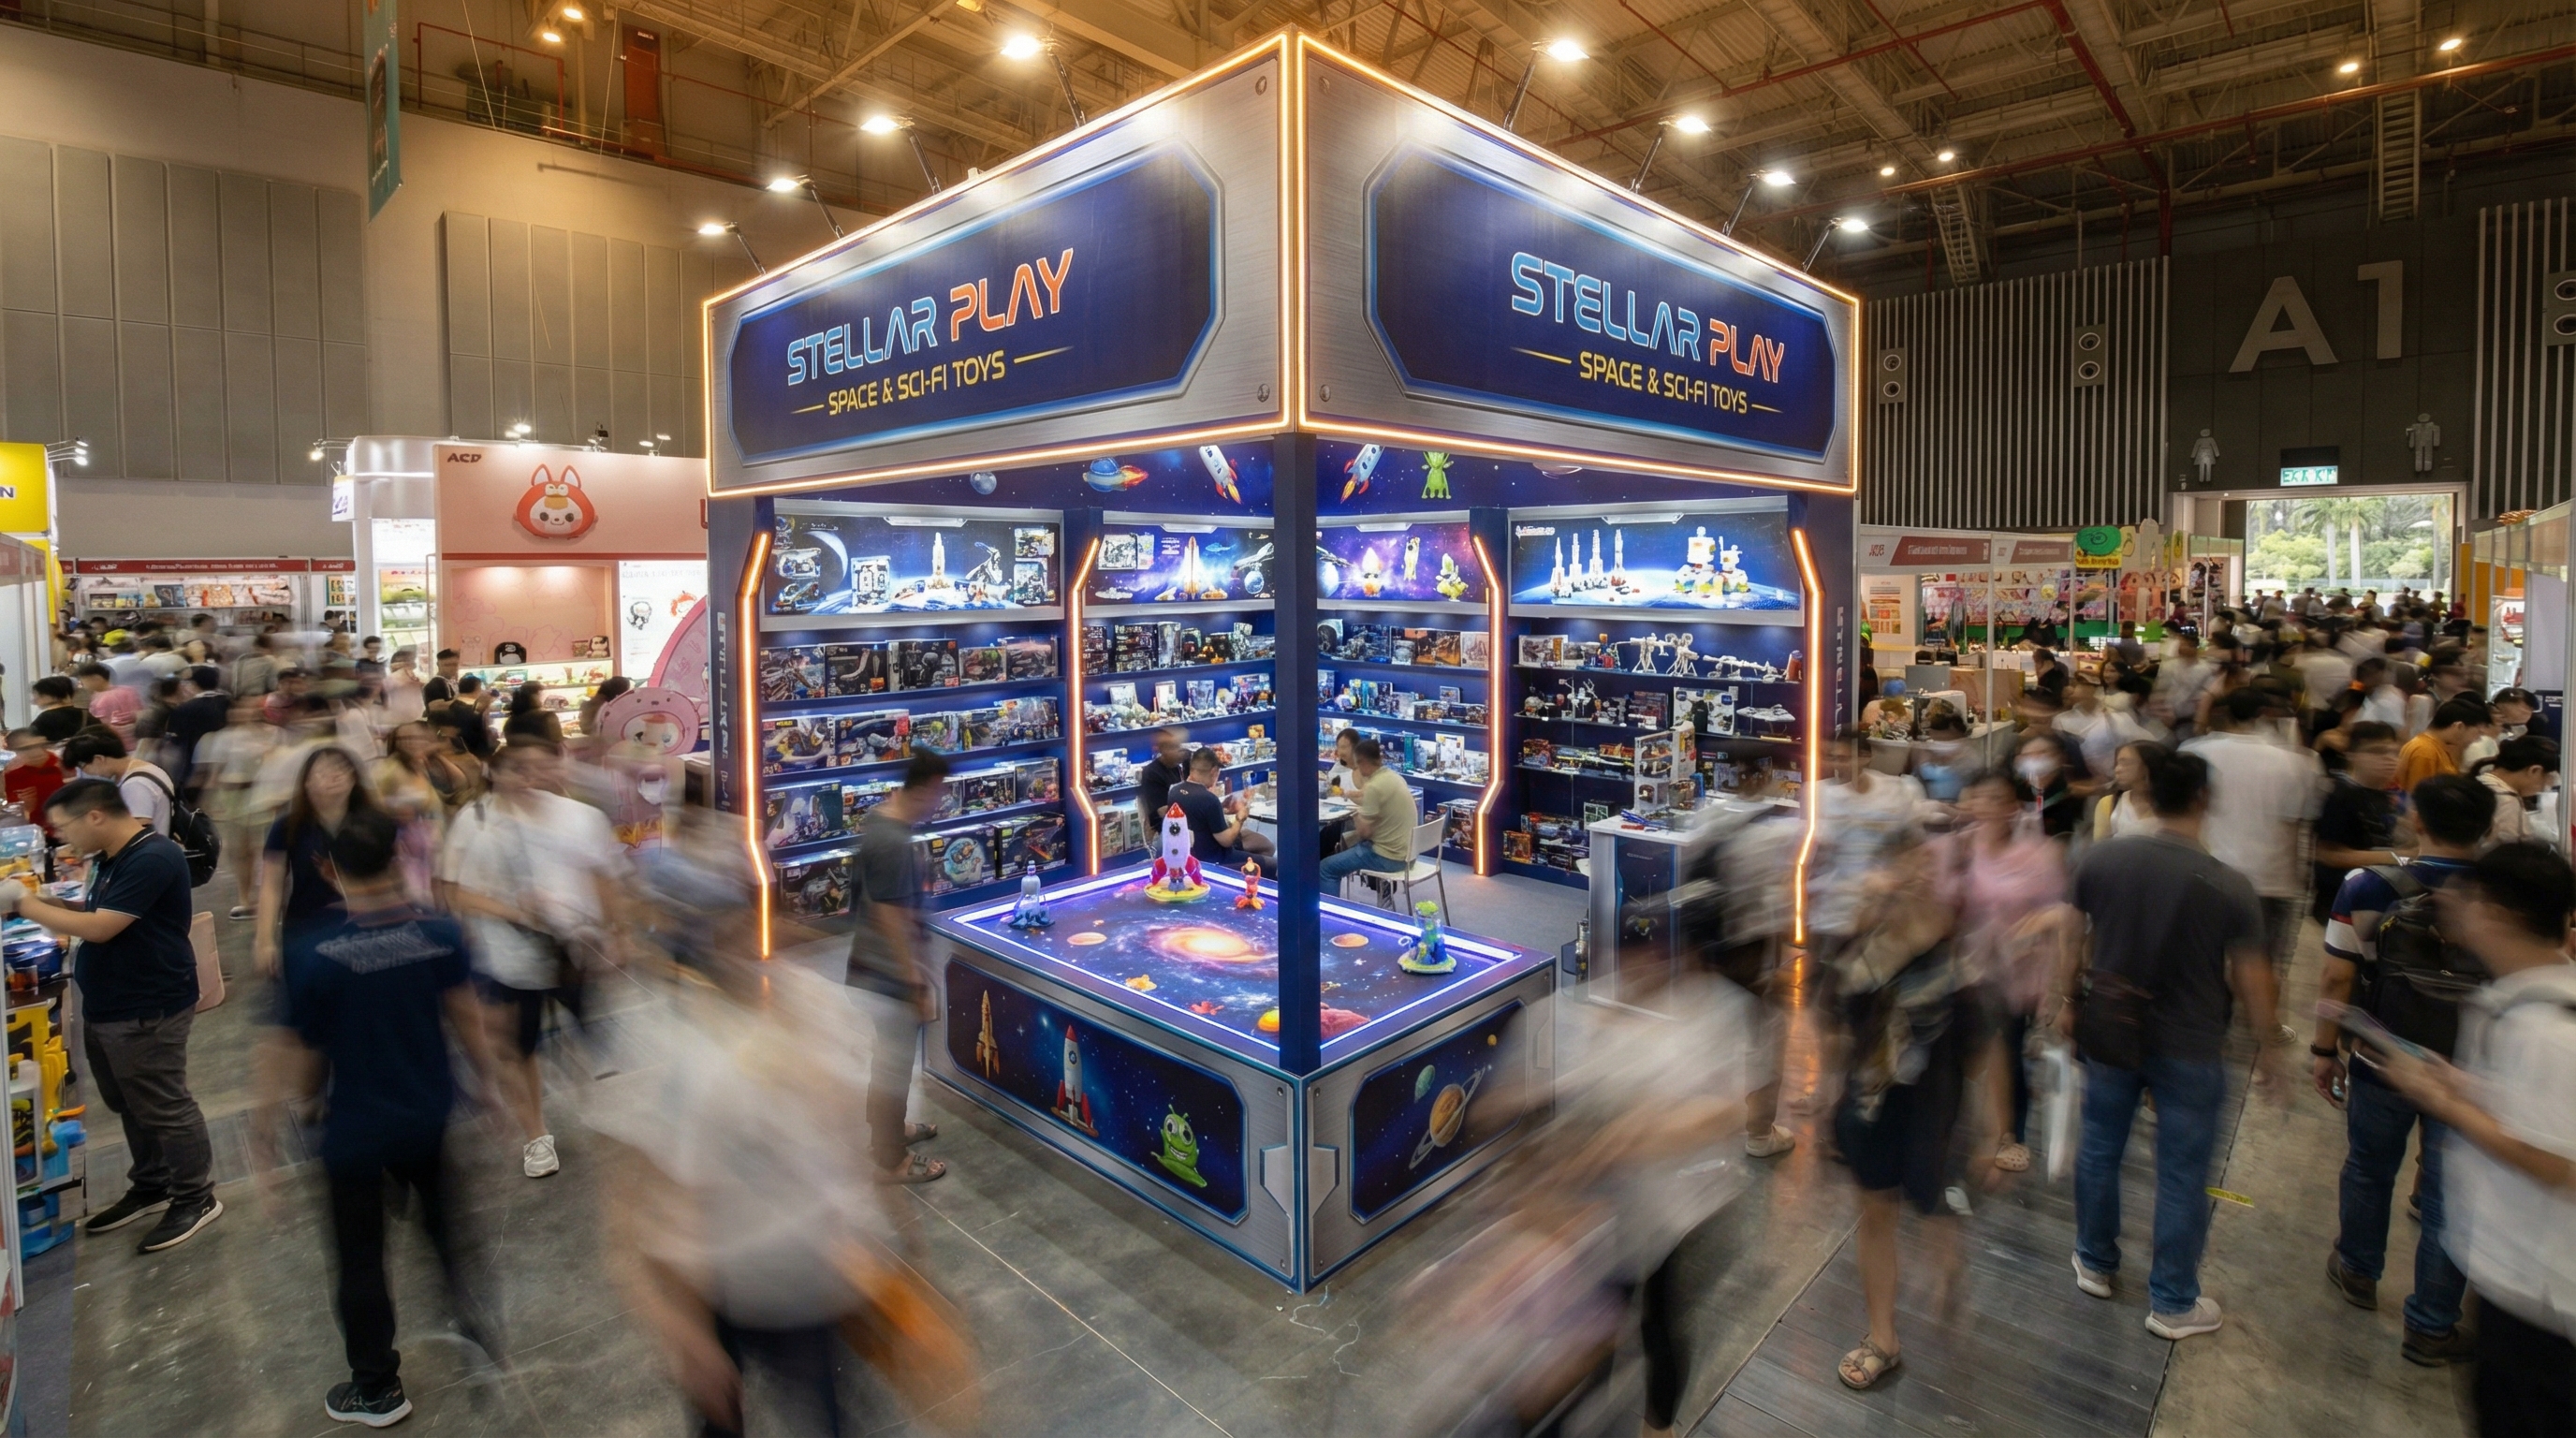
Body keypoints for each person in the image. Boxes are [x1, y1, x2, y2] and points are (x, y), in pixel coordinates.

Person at [275, 809, 498, 1427]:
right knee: (447, 1230)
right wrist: (489, 1085)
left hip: (355, 1130)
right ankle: (476, 1328)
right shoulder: (440, 932)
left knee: (361, 1258)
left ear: (329, 870)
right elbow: (467, 1017)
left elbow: (305, 1057)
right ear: (398, 859)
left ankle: (377, 1388)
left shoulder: (313, 952)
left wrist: (298, 1110)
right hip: (427, 1112)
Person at [2066, 752, 2288, 1341]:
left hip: (2110, 1029)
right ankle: (2171, 1301)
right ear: (2202, 799)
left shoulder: (2102, 859)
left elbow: (2070, 937)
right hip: (2191, 1043)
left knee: (2099, 1147)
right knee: (2183, 1172)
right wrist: (2270, 1047)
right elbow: (2252, 975)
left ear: (2148, 793)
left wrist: (2062, 1001)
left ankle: (2094, 1261)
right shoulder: (2229, 884)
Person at [2371, 843, 2576, 1437]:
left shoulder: (2550, 1030)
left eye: (2471, 900)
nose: (2457, 909)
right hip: (2514, 1288)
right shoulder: (2528, 1001)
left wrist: (2447, 1104)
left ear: (2501, 914)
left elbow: (2554, 1161)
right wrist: (2463, 1084)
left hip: (2541, 1305)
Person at [2310, 773, 2493, 1366]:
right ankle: (2431, 1326)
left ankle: (2357, 1271)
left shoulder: (2368, 884)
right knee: (2448, 1195)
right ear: (2487, 828)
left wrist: (2324, 1050)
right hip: (2467, 1071)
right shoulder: (2502, 896)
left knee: (2369, 1167)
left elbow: (2337, 975)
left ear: (2417, 821)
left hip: (2381, 1054)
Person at [7, 780, 220, 1252]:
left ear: (95, 816)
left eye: (64, 827)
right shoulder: (111, 857)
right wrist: (53, 903)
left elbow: (103, 927)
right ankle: (152, 1184)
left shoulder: (152, 856)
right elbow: (100, 908)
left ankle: (195, 1196)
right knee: (129, 1101)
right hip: (111, 1003)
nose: (62, 838)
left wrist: (27, 906)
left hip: (148, 1004)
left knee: (164, 1105)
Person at [439, 739, 632, 1179]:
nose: (530, 777)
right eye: (518, 768)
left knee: (588, 1030)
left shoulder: (581, 817)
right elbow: (454, 891)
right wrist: (516, 913)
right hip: (508, 957)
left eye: (541, 766)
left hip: (574, 951)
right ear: (495, 772)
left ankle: (587, 1091)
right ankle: (535, 1134)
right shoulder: (476, 820)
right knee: (517, 1046)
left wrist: (618, 933)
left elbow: (604, 877)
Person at [1825, 836, 1965, 1390]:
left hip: (1934, 1105)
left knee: (1932, 1209)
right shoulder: (1865, 930)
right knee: (1877, 1212)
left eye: (1927, 865)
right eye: (1907, 864)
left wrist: (1996, 1132)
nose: (1916, 876)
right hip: (1871, 1101)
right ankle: (1883, 1336)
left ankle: (1946, 1245)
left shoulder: (1951, 933)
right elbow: (1836, 1014)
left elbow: (1982, 1037)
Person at [1942, 769, 2071, 1175]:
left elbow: (2062, 911)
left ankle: (2011, 1133)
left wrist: (2038, 928)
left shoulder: (2040, 854)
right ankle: (1960, 1128)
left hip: (2016, 974)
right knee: (1961, 1052)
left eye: (1997, 799)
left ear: (2014, 807)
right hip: (1965, 970)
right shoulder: (1961, 847)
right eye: (1981, 798)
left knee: (2008, 1050)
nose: (1988, 807)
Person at [843, 747, 948, 1184]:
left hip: (872, 968)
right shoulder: (893, 842)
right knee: (894, 1063)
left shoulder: (881, 820)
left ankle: (891, 1129)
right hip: (886, 976)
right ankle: (890, 1158)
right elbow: (891, 918)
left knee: (889, 1060)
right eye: (939, 793)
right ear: (925, 789)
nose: (939, 803)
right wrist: (913, 980)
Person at [2184, 685, 2321, 990]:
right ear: (2266, 714)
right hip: (2269, 879)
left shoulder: (2194, 751)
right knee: (2261, 970)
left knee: (2202, 968)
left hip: (2206, 873)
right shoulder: (2299, 762)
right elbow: (2300, 822)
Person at [255, 745, 387, 978]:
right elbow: (271, 886)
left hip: (367, 929)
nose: (334, 775)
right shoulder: (288, 826)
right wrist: (264, 940)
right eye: (323, 771)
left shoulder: (375, 823)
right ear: (306, 782)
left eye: (341, 769)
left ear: (354, 778)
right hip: (307, 930)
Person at [2311, 722, 2405, 922]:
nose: (2389, 759)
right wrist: (2396, 857)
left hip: (2376, 901)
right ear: (2352, 755)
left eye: (2394, 752)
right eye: (2377, 751)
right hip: (2341, 904)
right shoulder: (2341, 795)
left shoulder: (2388, 797)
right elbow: (2327, 854)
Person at [1321, 736, 1415, 891]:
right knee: (1346, 845)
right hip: (1407, 854)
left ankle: (1329, 906)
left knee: (1326, 868)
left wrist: (1357, 815)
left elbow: (1364, 832)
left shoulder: (1374, 787)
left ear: (1363, 762)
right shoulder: (1393, 777)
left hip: (1388, 857)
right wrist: (1347, 794)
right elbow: (1363, 794)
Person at [1165, 746, 1277, 873]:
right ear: (1214, 771)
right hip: (1215, 859)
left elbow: (1198, 816)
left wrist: (1222, 807)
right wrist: (1240, 818)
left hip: (1189, 855)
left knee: (1260, 843)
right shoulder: (1208, 799)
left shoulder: (1174, 792)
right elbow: (1226, 841)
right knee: (1273, 864)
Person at [62, 729, 177, 838]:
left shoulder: (136, 785)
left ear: (99, 759)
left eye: (82, 767)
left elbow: (137, 835)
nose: (84, 772)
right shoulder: (139, 767)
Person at [2474, 736, 2557, 849]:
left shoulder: (2480, 780)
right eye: (2548, 778)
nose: (2545, 787)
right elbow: (2504, 852)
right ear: (2534, 770)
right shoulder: (2507, 802)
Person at [2398, 696, 2493, 791]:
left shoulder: (2437, 747)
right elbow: (2420, 795)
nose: (2477, 740)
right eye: (2478, 733)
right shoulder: (2426, 751)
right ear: (2459, 726)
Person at [164, 666, 229, 795]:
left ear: (194, 684)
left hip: (193, 770)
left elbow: (174, 743)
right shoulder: (230, 702)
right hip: (227, 767)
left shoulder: (185, 709)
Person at [2090, 740, 2165, 842]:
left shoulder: (2173, 803)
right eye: (2117, 763)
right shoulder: (2109, 804)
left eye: (2126, 763)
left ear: (2148, 766)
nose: (2118, 769)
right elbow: (2100, 846)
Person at [3, 728, 66, 831]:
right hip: (27, 833)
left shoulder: (63, 766)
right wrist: (24, 808)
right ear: (11, 751)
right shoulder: (8, 776)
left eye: (40, 745)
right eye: (25, 748)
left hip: (66, 830)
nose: (35, 752)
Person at [1135, 726, 1189, 826]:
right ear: (1162, 750)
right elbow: (1161, 811)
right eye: (1172, 747)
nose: (1178, 751)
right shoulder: (1152, 773)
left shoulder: (1186, 763)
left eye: (1178, 746)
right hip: (1167, 826)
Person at [77, 661, 140, 744]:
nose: (83, 686)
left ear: (96, 679)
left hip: (118, 743)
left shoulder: (102, 701)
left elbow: (104, 728)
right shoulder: (129, 690)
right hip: (137, 739)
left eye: (83, 682)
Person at [29, 675, 83, 744]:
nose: (34, 698)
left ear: (50, 695)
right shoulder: (84, 713)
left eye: (38, 694)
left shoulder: (46, 718)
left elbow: (31, 740)